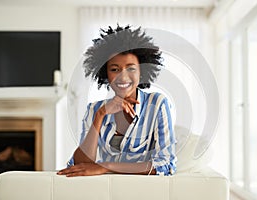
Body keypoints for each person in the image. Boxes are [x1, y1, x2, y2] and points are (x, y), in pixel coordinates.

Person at [57, 24, 176, 177]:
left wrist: (106, 166)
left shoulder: (157, 104)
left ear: (141, 72)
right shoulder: (94, 109)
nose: (123, 77)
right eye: (114, 69)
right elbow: (80, 165)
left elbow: (166, 166)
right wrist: (101, 115)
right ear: (106, 75)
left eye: (131, 68)